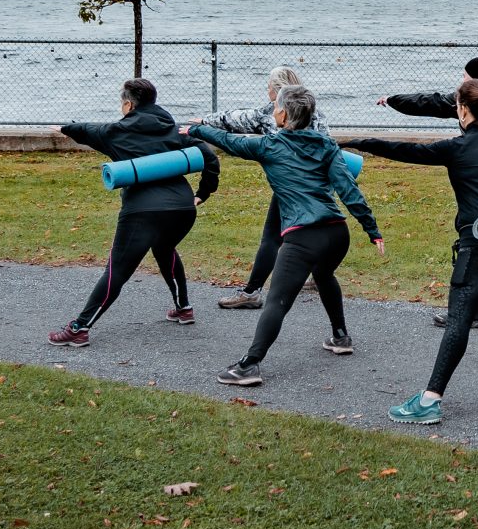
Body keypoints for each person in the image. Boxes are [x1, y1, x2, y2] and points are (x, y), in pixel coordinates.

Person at [356, 78, 478, 424]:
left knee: (459, 316)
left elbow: (406, 151)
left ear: (462, 110)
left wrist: (358, 141)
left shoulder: (458, 148)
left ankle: (430, 400)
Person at [189, 86, 383, 386]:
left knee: (277, 301)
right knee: (324, 275)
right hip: (336, 233)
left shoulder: (269, 145)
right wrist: (372, 230)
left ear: (281, 113)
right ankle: (341, 337)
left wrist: (196, 129)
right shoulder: (326, 145)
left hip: (304, 237)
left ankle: (248, 366)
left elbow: (230, 141)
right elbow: (348, 189)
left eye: (275, 107)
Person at [49, 78, 220, 346]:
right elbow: (210, 159)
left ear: (128, 104)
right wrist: (202, 194)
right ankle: (183, 308)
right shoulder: (176, 131)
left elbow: (86, 130)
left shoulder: (115, 132)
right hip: (182, 209)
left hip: (142, 212)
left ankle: (79, 328)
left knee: (117, 270)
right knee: (165, 249)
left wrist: (65, 128)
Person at [386, 55, 478, 329]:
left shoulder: (477, 98)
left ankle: (473, 311)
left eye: (464, 77)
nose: (461, 83)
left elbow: (431, 102)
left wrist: (393, 100)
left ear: (473, 78)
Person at [202, 66, 309, 311]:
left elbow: (235, 121)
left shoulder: (271, 113)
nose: (267, 90)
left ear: (278, 90)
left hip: (288, 185)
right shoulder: (312, 109)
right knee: (311, 229)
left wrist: (203, 122)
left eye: (269, 86)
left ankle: (252, 292)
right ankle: (318, 276)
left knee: (272, 237)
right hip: (316, 181)